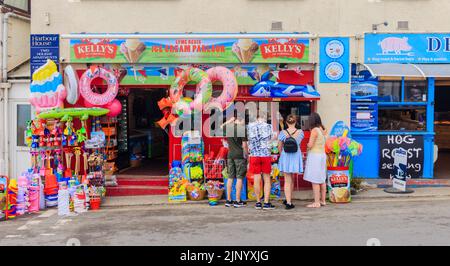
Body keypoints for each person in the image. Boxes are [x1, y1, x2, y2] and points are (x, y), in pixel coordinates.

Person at [247, 113, 275, 210]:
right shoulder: (268, 126)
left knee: (256, 179)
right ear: (264, 118)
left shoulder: (250, 127)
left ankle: (258, 202)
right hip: (265, 155)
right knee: (267, 179)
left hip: (254, 155)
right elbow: (272, 139)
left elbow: (248, 140)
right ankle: (266, 202)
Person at [277, 114, 304, 210]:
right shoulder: (300, 132)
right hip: (296, 156)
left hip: (286, 156)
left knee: (287, 180)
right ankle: (289, 199)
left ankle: (288, 202)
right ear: (296, 122)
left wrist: (282, 154)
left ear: (286, 122)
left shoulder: (282, 133)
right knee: (291, 179)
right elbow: (299, 143)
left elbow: (279, 146)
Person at [303, 112, 327, 208]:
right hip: (322, 155)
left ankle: (316, 202)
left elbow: (310, 144)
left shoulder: (314, 130)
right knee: (322, 179)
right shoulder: (323, 129)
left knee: (315, 179)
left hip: (315, 156)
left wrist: (307, 147)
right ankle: (323, 200)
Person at [223, 115, 248, 208]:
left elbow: (221, 127)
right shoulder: (242, 129)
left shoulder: (229, 128)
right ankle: (237, 201)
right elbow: (245, 145)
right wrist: (247, 155)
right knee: (239, 178)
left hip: (230, 155)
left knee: (230, 178)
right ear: (241, 121)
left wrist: (229, 121)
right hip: (239, 156)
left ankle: (228, 200)